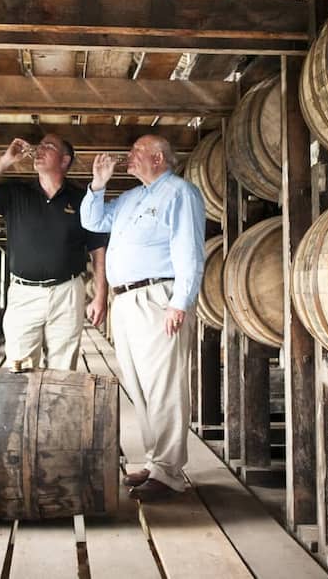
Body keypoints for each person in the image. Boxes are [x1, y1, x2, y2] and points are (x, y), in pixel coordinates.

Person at [80, 134, 206, 502]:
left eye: (135, 151)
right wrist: (97, 185)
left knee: (163, 384)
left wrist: (180, 302)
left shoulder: (180, 193)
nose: (127, 156)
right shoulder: (130, 197)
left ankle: (169, 472)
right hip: (126, 300)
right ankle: (155, 464)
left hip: (158, 297)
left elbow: (190, 251)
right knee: (138, 384)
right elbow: (93, 221)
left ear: (158, 157)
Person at [0, 134, 108, 371]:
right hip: (24, 293)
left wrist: (100, 294)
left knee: (63, 369)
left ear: (64, 161)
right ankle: (23, 410)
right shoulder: (16, 193)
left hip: (68, 292)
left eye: (48, 147)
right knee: (20, 366)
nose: (39, 150)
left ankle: (57, 409)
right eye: (39, 146)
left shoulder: (82, 199)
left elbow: (97, 249)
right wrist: (5, 160)